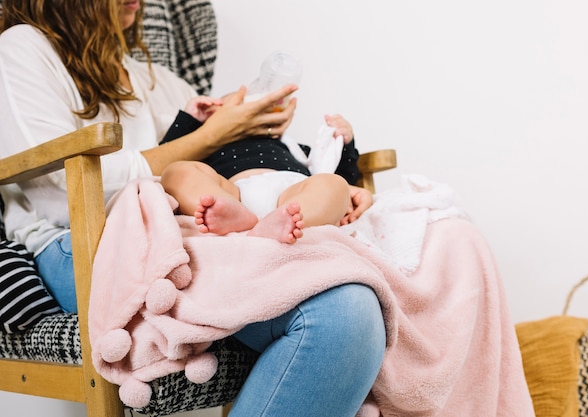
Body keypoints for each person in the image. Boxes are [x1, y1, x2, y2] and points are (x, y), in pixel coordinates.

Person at [0, 1, 386, 416]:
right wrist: (209, 137)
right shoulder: (23, 48)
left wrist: (289, 155)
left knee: (353, 307)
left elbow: (225, 164)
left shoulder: (160, 80)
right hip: (90, 242)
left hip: (189, 231)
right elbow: (57, 184)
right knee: (343, 316)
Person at [160, 94, 365, 244]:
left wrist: (345, 143)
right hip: (233, 195)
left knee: (334, 184)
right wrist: (189, 121)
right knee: (176, 171)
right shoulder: (208, 147)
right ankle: (233, 217)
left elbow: (343, 174)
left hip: (292, 194)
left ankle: (290, 221)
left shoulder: (295, 148)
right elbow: (167, 155)